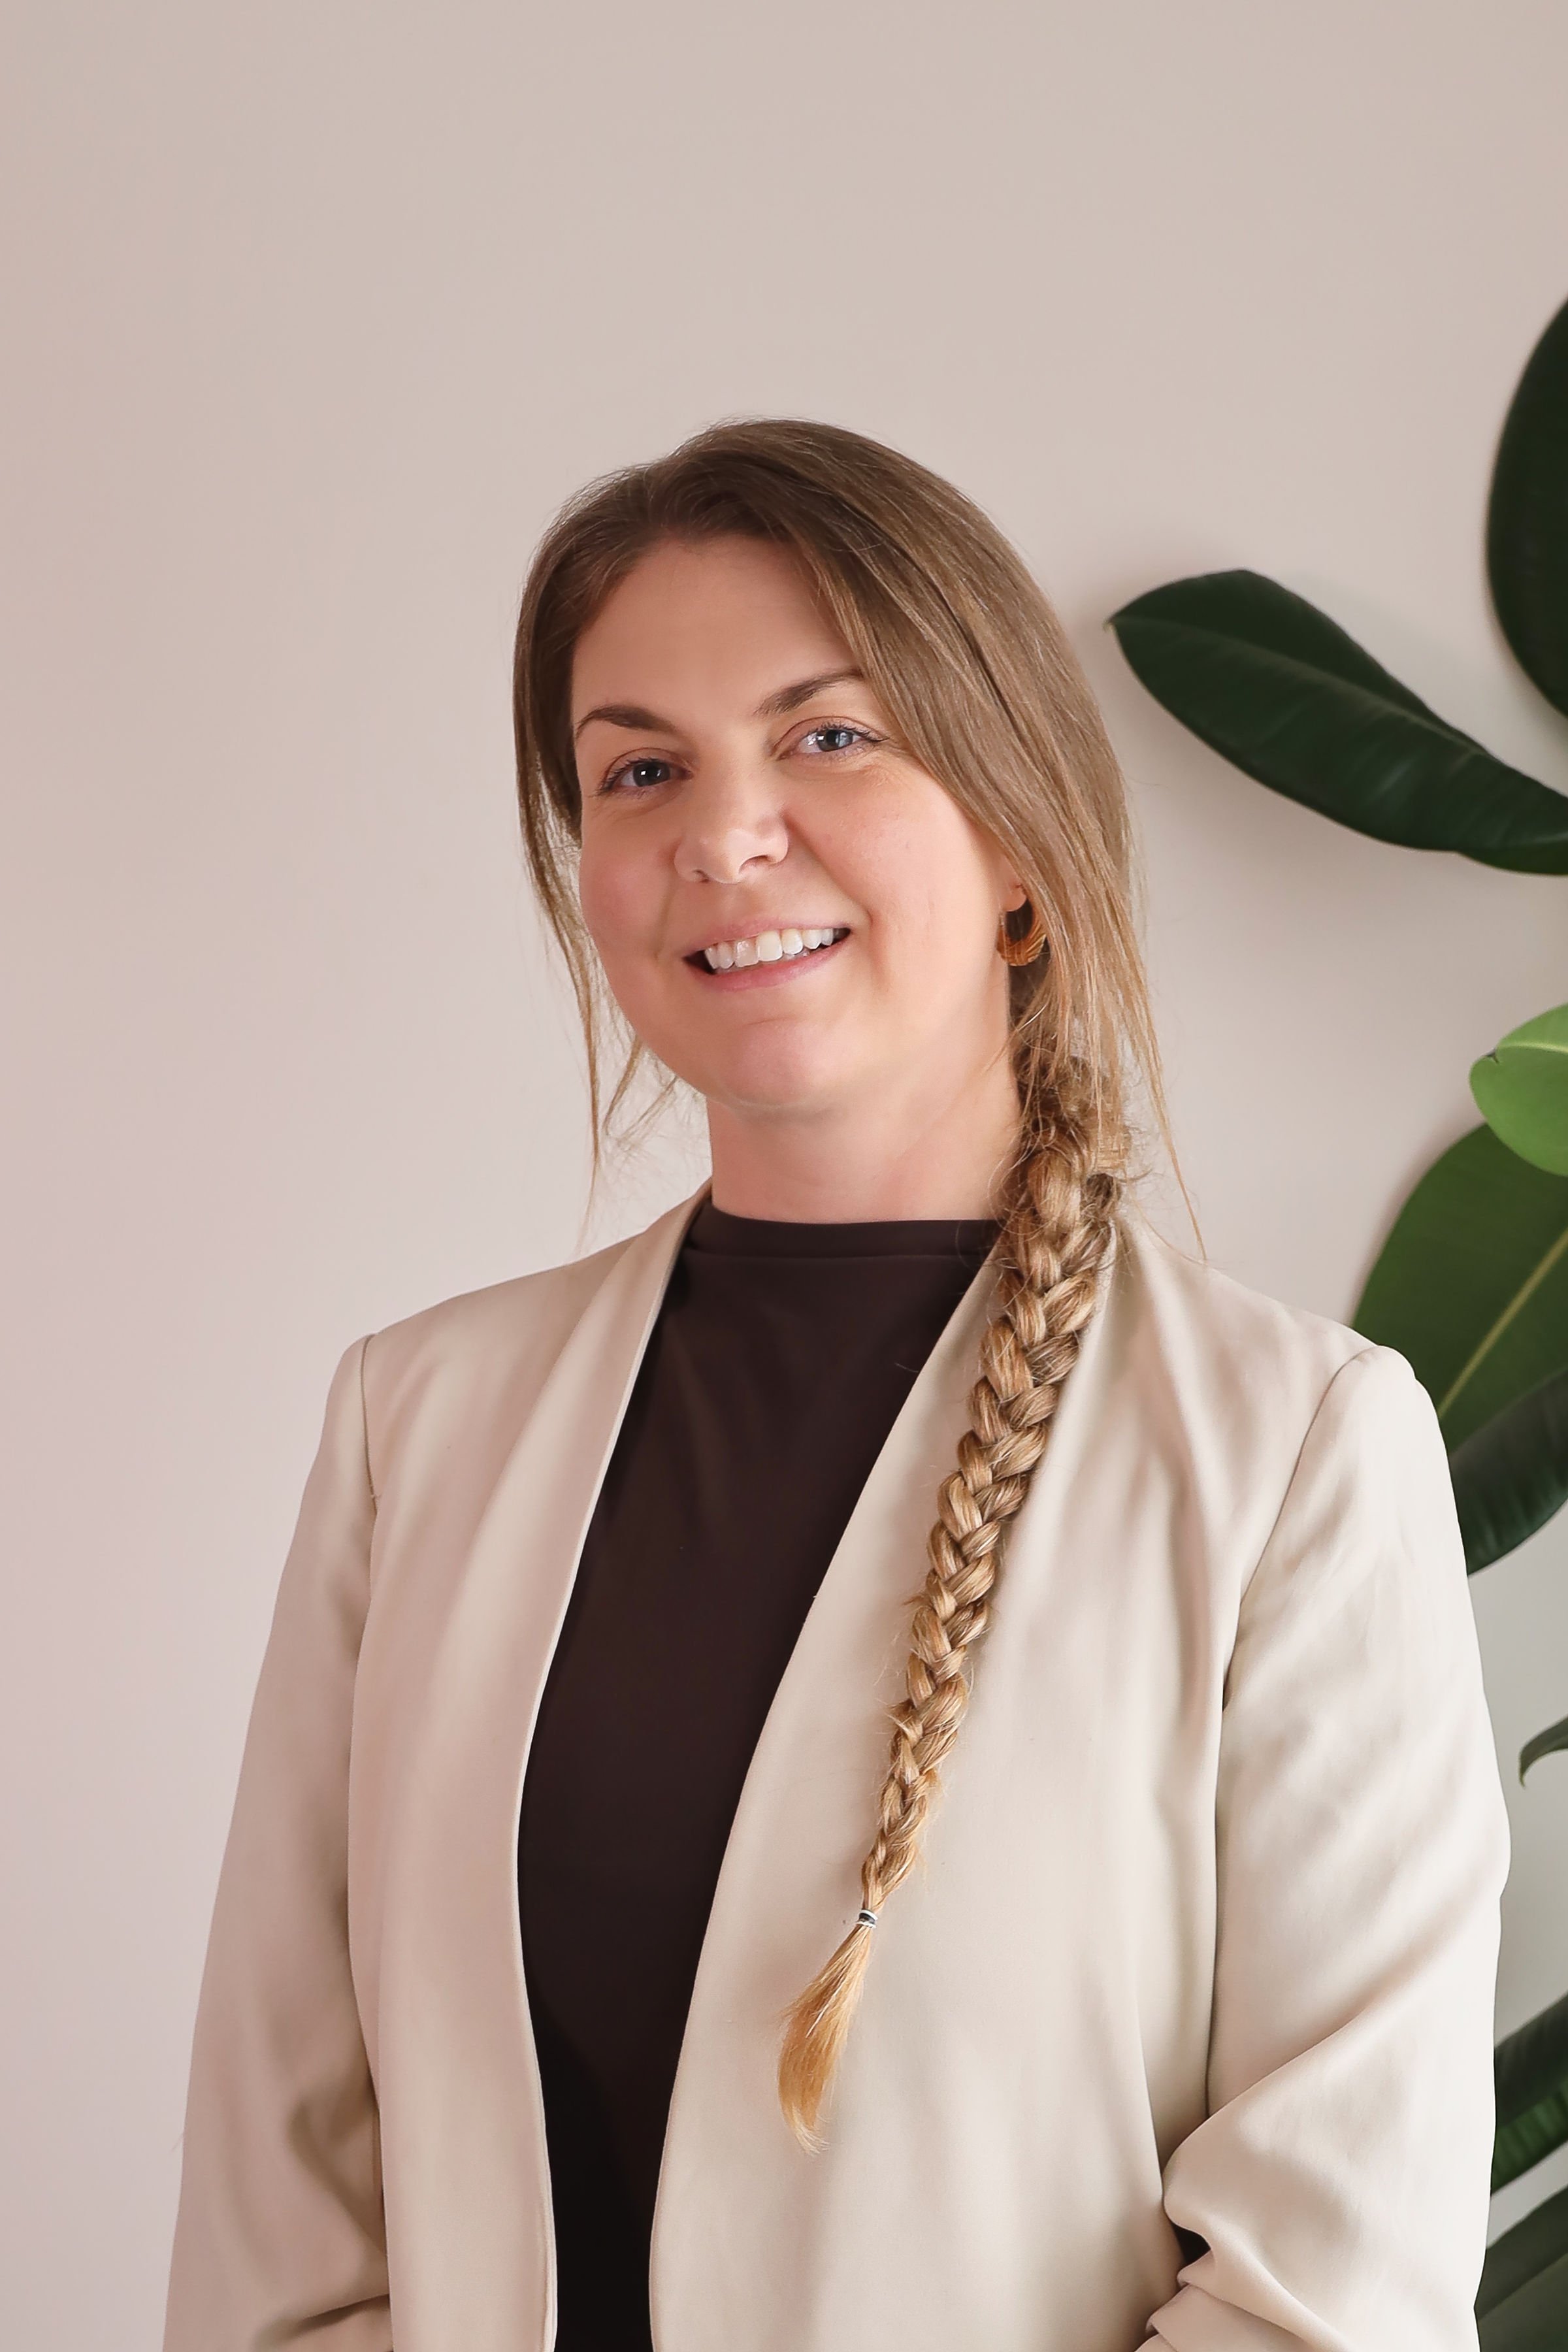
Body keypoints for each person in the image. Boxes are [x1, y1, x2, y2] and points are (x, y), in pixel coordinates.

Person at [163, 420, 1509, 2352]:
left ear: (1022, 837)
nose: (724, 833)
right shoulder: (417, 1427)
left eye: (829, 735)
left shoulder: (1296, 1452)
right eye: (643, 767)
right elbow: (281, 2219)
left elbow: (1333, 2290)